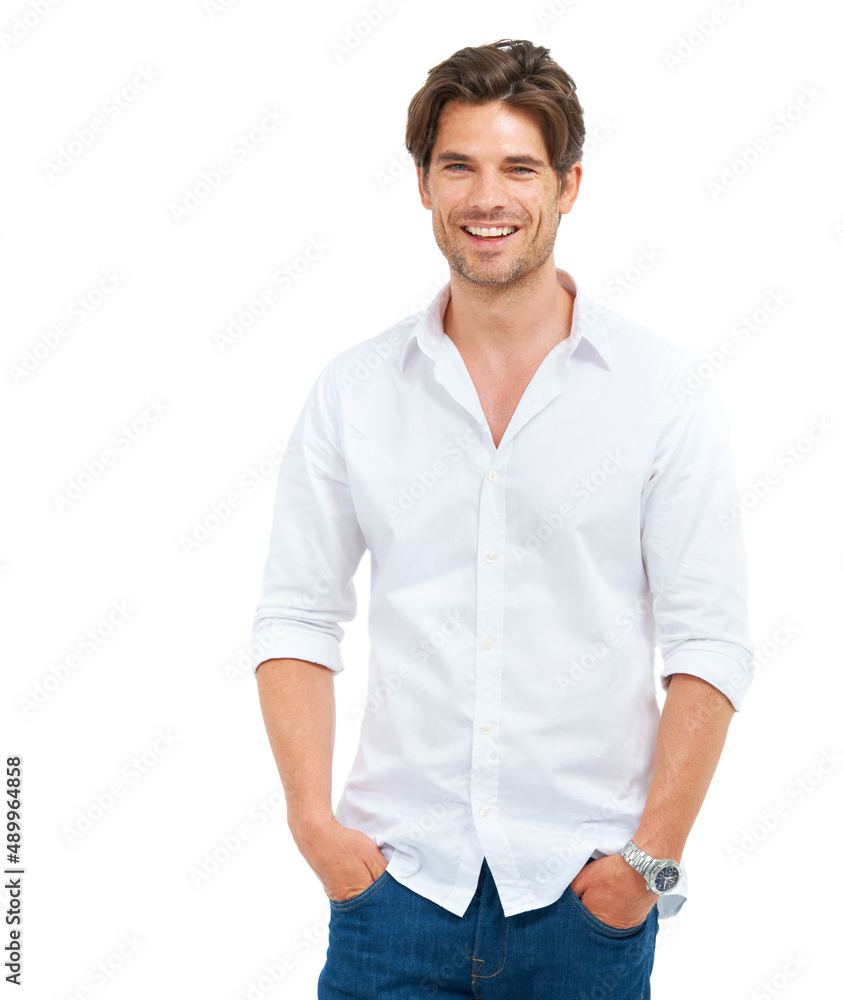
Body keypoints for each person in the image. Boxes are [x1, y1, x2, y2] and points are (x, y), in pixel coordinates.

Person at [250, 37, 755, 999]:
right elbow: (296, 620)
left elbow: (709, 645)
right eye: (460, 166)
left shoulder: (661, 392)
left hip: (584, 903)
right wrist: (315, 828)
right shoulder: (355, 391)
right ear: (423, 184)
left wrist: (645, 867)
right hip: (391, 897)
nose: (489, 198)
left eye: (519, 167)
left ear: (568, 186)